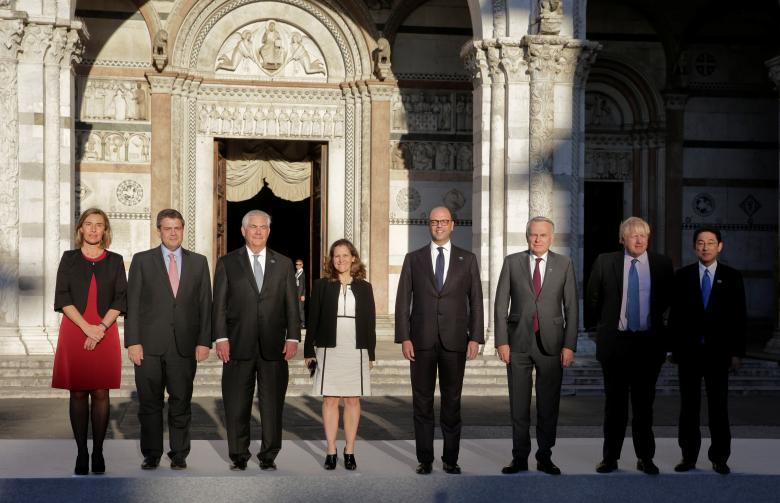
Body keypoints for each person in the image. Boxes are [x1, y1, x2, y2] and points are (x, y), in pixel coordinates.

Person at [395, 206, 484, 475]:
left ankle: (450, 459)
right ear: (428, 225)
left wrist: (476, 337)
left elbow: (476, 302)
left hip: (455, 341)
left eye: (444, 221)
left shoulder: (467, 259)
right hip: (420, 341)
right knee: (421, 402)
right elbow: (402, 301)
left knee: (452, 402)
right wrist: (404, 337)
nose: (439, 226)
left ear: (453, 225)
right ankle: (425, 459)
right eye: (434, 222)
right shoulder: (414, 259)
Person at [124, 209, 212, 470]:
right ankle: (151, 454)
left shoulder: (199, 262)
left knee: (181, 402)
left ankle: (179, 453)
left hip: (184, 346)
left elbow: (205, 304)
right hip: (148, 346)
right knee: (150, 404)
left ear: (183, 229)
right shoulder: (142, 260)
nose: (173, 232)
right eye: (167, 228)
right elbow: (133, 303)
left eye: (177, 228)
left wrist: (204, 341)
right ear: (159, 230)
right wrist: (133, 342)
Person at [212, 209, 300, 471]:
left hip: (274, 346)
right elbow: (219, 306)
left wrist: (294, 336)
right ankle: (239, 455)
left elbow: (291, 305)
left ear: (269, 231)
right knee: (236, 403)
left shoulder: (283, 264)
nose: (258, 231)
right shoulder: (227, 263)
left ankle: (269, 454)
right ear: (243, 231)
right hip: (237, 345)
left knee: (273, 405)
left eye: (263, 227)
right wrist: (221, 338)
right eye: (253, 227)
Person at [585, 216, 673, 475]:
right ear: (622, 238)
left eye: (643, 235)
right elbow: (592, 298)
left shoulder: (662, 264)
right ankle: (610, 458)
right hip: (616, 344)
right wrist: (604, 326)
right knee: (615, 406)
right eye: (633, 235)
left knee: (644, 406)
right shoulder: (605, 261)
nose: (638, 240)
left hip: (648, 345)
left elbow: (669, 299)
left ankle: (646, 458)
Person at [494, 216, 578, 475]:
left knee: (548, 404)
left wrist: (569, 345)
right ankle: (519, 457)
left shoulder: (564, 264)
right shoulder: (512, 262)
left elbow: (572, 307)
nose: (538, 239)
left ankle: (544, 456)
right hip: (517, 343)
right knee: (519, 405)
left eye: (543, 235)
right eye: (533, 234)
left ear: (551, 238)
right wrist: (501, 341)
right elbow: (500, 305)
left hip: (552, 344)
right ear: (527, 236)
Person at [52, 208, 127, 475]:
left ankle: (98, 452)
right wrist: (87, 328)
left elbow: (120, 299)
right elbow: (62, 297)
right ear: (80, 229)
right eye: (89, 224)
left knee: (101, 392)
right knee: (78, 391)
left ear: (105, 231)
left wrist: (101, 328)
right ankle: (81, 452)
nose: (94, 229)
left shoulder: (116, 260)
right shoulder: (69, 259)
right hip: (75, 330)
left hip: (104, 331)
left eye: (99, 225)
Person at [669, 227, 746, 475]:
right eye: (700, 243)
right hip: (689, 353)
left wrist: (736, 352)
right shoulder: (682, 276)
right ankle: (688, 456)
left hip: (718, 354)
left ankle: (719, 457)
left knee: (718, 408)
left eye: (711, 242)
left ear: (720, 246)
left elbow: (739, 317)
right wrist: (672, 349)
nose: (705, 247)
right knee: (689, 408)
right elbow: (676, 317)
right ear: (694, 247)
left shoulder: (732, 277)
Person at [304, 239, 376, 470]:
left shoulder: (365, 287)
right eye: (336, 256)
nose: (341, 260)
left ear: (353, 257)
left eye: (345, 255)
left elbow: (370, 323)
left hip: (356, 348)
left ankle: (350, 450)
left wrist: (371, 353)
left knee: (353, 399)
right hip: (329, 347)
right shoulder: (322, 285)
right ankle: (331, 449)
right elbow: (312, 320)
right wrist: (308, 350)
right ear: (331, 260)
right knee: (331, 399)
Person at [295, 259, 306, 328]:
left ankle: (302, 323)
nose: (297, 266)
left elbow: (303, 286)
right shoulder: (297, 273)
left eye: (299, 264)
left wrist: (303, 295)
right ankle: (298, 322)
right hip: (296, 294)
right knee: (297, 309)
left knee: (300, 309)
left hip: (300, 295)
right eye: (296, 264)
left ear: (302, 265)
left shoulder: (302, 274)